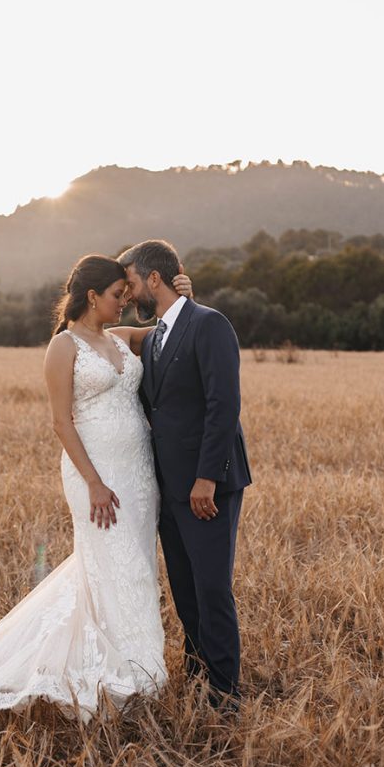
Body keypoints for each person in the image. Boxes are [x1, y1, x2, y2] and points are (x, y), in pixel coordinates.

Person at [0, 254, 192, 725]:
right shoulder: (63, 347)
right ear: (91, 296)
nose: (125, 303)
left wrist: (183, 298)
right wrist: (95, 483)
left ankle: (136, 667)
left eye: (126, 296)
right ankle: (120, 675)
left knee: (136, 569)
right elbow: (61, 423)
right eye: (116, 296)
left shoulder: (121, 340)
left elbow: (171, 329)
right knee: (113, 565)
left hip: (139, 477)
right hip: (96, 477)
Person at [118, 240, 252, 712]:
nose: (128, 293)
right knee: (185, 590)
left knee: (212, 588)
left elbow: (223, 406)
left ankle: (225, 695)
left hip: (206, 485)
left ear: (154, 279)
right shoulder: (154, 337)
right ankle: (197, 678)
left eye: (130, 282)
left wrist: (206, 478)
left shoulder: (209, 323)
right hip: (168, 488)